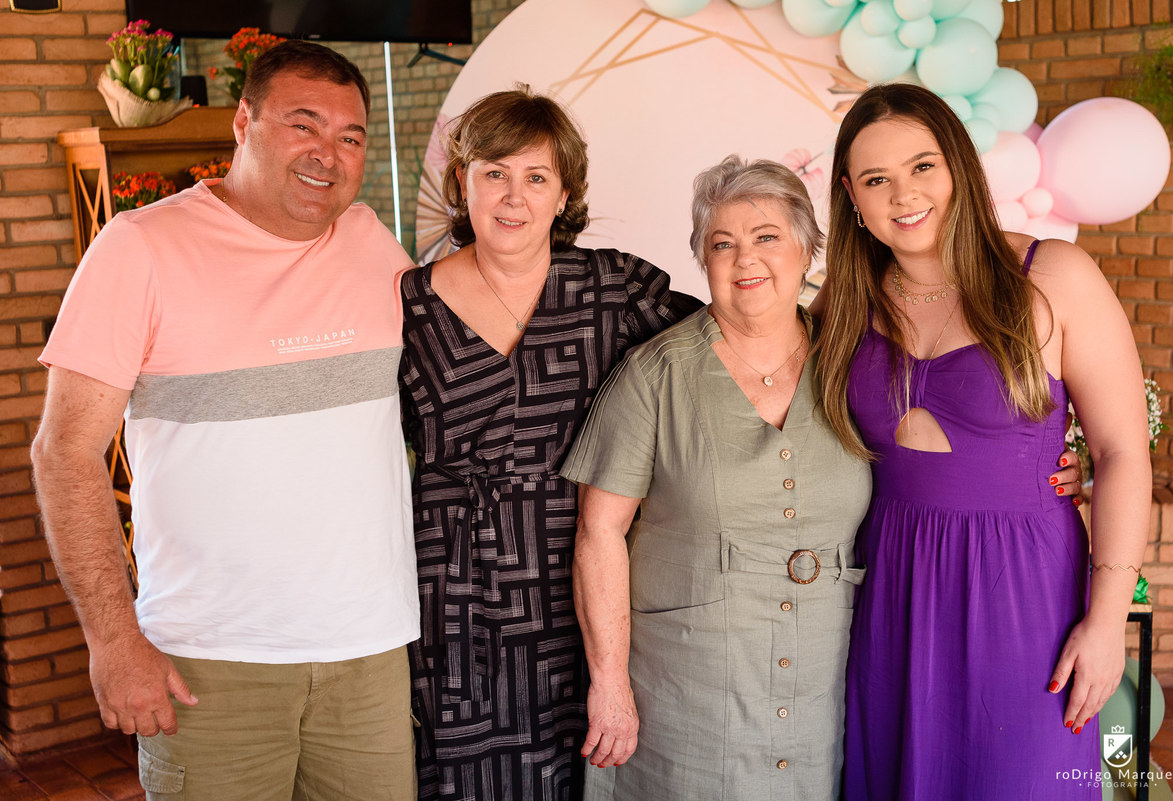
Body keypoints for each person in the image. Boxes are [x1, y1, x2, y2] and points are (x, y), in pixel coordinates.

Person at [32, 41, 419, 800]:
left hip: (369, 656)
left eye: (350, 136)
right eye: (303, 125)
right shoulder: (140, 247)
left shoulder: (374, 245)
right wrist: (113, 640)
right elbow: (64, 453)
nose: (328, 154)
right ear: (244, 122)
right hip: (209, 665)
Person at [813, 83, 1151, 800]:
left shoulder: (1054, 276)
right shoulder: (842, 302)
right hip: (892, 592)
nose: (903, 194)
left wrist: (1107, 621)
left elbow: (1121, 451)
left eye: (922, 166)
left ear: (959, 166)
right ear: (851, 196)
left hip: (1024, 591)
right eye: (876, 179)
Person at [399, 88, 700, 801]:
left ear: (564, 194)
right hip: (451, 597)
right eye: (494, 173)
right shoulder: (404, 305)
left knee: (584, 771)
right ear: (463, 182)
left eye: (536, 177)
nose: (514, 197)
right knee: (465, 779)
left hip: (580, 584)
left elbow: (729, 345)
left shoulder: (612, 288)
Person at [560, 155, 872, 801]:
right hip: (687, 694)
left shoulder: (855, 362)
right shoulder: (654, 374)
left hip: (827, 686)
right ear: (704, 261)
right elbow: (598, 532)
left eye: (766, 237)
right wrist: (609, 683)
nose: (744, 258)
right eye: (722, 243)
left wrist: (1058, 467)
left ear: (807, 248)